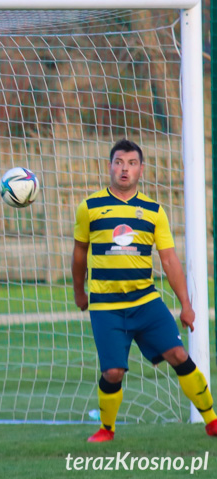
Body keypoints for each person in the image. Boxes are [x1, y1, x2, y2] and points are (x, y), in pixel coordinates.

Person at [72, 138, 217, 442]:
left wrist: (186, 305)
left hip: (145, 301)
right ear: (109, 166)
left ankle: (212, 421)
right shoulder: (89, 207)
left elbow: (169, 260)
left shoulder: (153, 211)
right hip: (106, 306)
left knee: (178, 353)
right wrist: (79, 293)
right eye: (119, 162)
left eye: (132, 163)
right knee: (113, 372)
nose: (124, 169)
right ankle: (107, 429)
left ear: (141, 169)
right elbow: (79, 255)